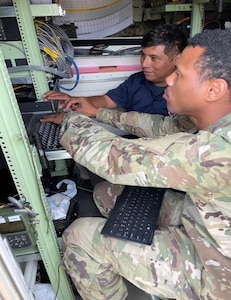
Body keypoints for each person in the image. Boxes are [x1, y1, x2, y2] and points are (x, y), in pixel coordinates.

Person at [51, 28, 231, 300]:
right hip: (210, 229)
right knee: (106, 194)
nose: (169, 79)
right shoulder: (217, 123)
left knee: (79, 238)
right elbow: (160, 126)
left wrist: (69, 120)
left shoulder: (215, 152)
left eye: (179, 74)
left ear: (213, 89)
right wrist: (96, 112)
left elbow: (109, 157)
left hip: (218, 278)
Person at [42, 24, 187, 123]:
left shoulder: (188, 92)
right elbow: (106, 100)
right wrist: (74, 101)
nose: (144, 63)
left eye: (154, 58)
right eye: (143, 55)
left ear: (176, 60)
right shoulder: (137, 81)